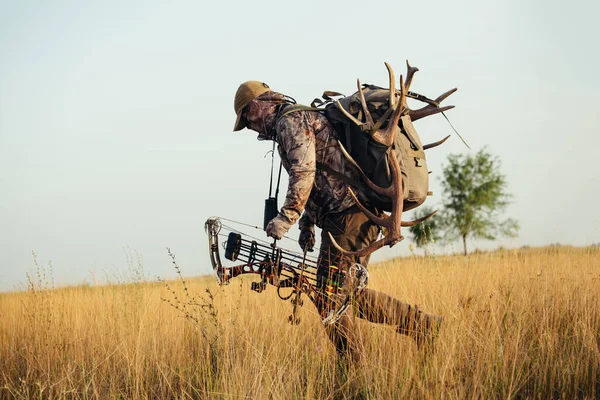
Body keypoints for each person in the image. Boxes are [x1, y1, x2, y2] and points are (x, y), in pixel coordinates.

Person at [233, 80, 442, 362]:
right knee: (346, 293)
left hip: (348, 215)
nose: (250, 126)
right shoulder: (296, 119)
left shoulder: (290, 122)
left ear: (258, 105)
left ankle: (354, 367)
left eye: (247, 117)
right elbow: (324, 176)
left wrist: (287, 218)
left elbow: (304, 172)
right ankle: (421, 326)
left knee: (329, 296)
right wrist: (308, 224)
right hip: (346, 214)